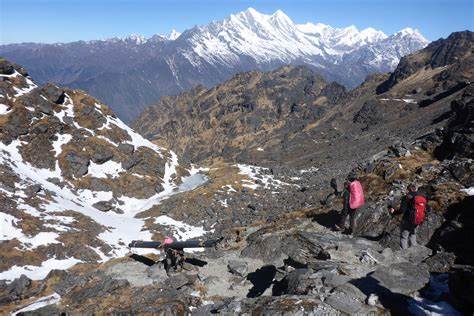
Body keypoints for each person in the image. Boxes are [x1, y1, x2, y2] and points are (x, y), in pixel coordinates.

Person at [389, 184, 429, 249]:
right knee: (413, 234)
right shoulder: (422, 197)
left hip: (407, 219)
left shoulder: (407, 197)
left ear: (408, 189)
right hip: (417, 220)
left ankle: (403, 254)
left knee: (404, 237)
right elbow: (427, 209)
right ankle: (414, 252)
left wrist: (394, 212)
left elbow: (402, 210)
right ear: (415, 189)